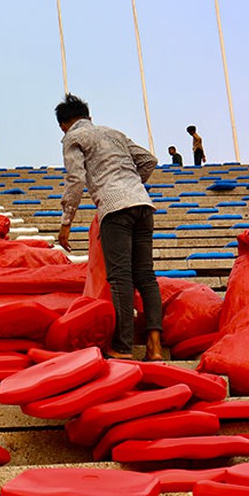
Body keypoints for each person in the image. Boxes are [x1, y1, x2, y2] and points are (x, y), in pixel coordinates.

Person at [55, 93, 164, 361]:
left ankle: (123, 346)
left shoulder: (73, 138)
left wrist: (66, 223)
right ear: (89, 118)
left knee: (120, 277)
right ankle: (155, 346)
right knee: (146, 276)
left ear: (63, 125)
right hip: (142, 204)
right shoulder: (114, 133)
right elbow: (149, 160)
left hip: (115, 209)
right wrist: (130, 183)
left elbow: (75, 179)